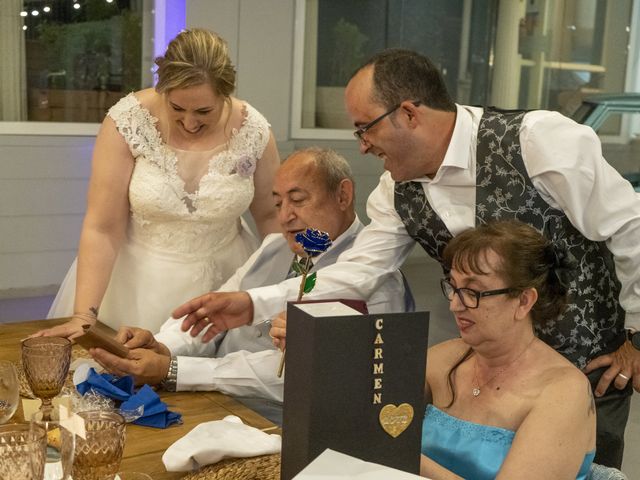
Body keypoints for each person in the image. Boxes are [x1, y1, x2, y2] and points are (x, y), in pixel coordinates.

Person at [169, 48, 640, 468]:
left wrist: (638, 337)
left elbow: (630, 227)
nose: (362, 145)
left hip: (588, 364)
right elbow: (361, 270)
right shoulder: (398, 189)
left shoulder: (537, 140)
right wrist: (253, 304)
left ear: (409, 113)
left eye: (364, 127)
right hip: (486, 370)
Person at [87, 147, 413, 424]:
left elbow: (298, 378)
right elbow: (209, 318)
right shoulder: (273, 246)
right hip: (208, 404)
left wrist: (173, 370)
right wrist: (162, 346)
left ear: (343, 195)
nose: (285, 217)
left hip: (281, 428)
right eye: (278, 203)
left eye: (297, 200)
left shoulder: (380, 284)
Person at [38, 29, 280, 337]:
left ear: (225, 94)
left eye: (204, 111)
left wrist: (281, 293)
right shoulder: (129, 121)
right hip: (135, 287)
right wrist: (85, 315)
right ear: (162, 88)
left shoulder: (253, 130)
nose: (190, 123)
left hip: (225, 285)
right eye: (177, 108)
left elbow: (272, 218)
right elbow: (102, 227)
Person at [421, 220, 595, 480]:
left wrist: (403, 457)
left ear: (524, 301)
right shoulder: (441, 359)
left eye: (473, 291)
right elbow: (372, 420)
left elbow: (383, 442)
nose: (455, 306)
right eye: (453, 287)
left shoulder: (563, 391)